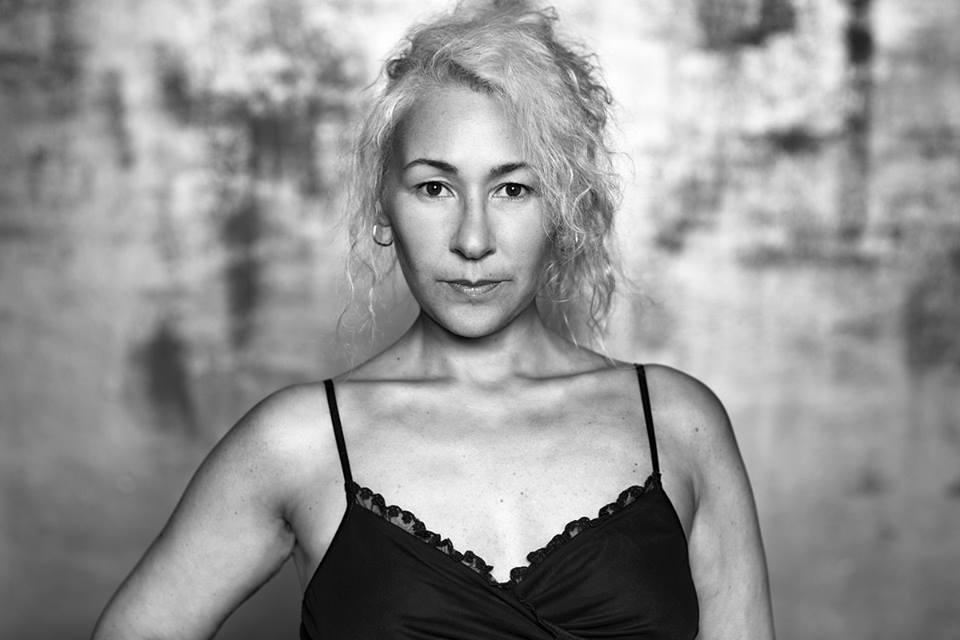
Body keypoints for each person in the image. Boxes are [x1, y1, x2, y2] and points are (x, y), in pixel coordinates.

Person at [92, 2, 775, 638]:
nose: (472, 240)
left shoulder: (678, 426)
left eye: (513, 188)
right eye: (435, 187)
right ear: (384, 204)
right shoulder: (298, 443)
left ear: (564, 207)